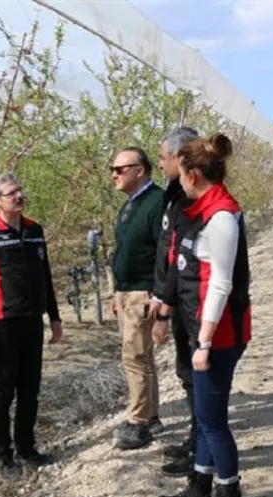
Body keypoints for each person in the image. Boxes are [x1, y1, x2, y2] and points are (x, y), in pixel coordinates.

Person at [156, 133, 252, 497]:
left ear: (193, 175)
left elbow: (221, 283)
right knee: (205, 413)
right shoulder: (204, 211)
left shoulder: (222, 217)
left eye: (179, 174)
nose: (177, 183)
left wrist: (206, 341)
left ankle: (229, 496)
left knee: (212, 420)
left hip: (219, 333)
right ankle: (200, 485)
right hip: (203, 328)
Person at [0, 172, 64, 480]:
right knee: (3, 392)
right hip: (1, 324)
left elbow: (45, 276)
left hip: (31, 322)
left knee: (30, 389)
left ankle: (27, 448)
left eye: (20, 191)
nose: (19, 196)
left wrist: (55, 317)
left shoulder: (35, 230)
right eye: (11, 193)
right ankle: (2, 454)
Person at [149, 126, 200, 477]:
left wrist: (165, 308)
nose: (160, 164)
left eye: (164, 158)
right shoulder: (172, 193)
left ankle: (202, 448)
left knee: (195, 376)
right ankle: (197, 441)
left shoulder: (191, 199)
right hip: (175, 297)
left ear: (181, 158)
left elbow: (181, 258)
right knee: (186, 374)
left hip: (187, 302)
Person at [108, 146, 166, 450]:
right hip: (129, 291)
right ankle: (151, 415)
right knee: (142, 357)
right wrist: (118, 291)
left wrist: (158, 293)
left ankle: (139, 422)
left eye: (120, 169)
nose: (114, 175)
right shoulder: (130, 205)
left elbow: (162, 252)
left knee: (135, 358)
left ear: (139, 170)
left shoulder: (156, 202)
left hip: (144, 292)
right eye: (113, 170)